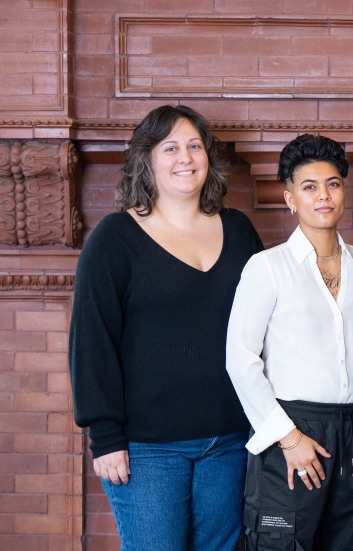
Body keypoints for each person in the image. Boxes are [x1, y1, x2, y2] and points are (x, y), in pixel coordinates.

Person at [69, 104, 264, 551]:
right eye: (171, 147)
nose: (186, 157)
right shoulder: (115, 239)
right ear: (147, 160)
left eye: (195, 146)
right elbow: (91, 342)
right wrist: (106, 437)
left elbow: (266, 331)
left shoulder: (238, 231)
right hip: (147, 449)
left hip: (231, 441)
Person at [225, 134, 353, 550]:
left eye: (333, 183)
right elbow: (240, 360)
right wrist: (288, 438)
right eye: (309, 187)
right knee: (281, 544)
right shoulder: (267, 268)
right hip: (291, 430)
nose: (323, 196)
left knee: (352, 543)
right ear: (290, 198)